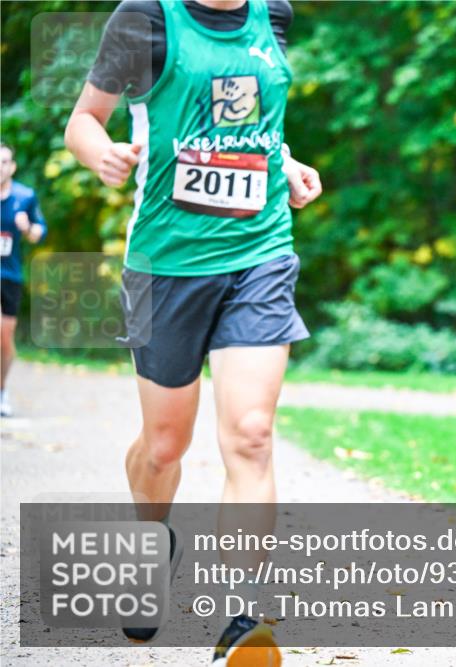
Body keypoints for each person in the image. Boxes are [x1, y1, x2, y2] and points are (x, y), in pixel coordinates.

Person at [65, 0, 321, 663]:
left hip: (259, 252)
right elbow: (83, 122)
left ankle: (243, 614)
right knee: (164, 443)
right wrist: (105, 156)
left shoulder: (274, 18)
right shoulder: (146, 18)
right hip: (166, 265)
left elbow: (259, 122)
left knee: (251, 432)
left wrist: (285, 162)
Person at [1, 143, 48, 417]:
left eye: (5, 161)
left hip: (9, 275)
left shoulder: (24, 197)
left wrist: (27, 227)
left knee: (4, 340)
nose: (0, 167)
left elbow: (40, 233)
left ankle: (2, 390)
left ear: (13, 166)